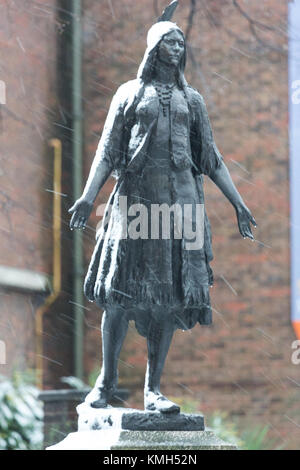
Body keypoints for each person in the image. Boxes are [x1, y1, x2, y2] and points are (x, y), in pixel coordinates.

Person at [69, 6, 256, 414]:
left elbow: (211, 159)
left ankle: (153, 389)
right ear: (154, 48)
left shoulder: (193, 100)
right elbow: (107, 151)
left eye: (180, 42)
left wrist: (239, 204)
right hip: (137, 203)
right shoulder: (130, 93)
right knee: (120, 293)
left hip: (182, 208)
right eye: (169, 40)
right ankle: (107, 382)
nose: (177, 46)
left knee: (169, 299)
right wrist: (87, 196)